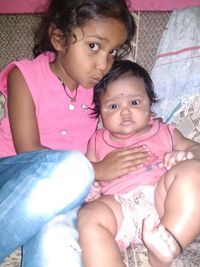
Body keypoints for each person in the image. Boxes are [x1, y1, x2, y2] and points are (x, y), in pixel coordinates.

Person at [0, 1, 150, 266]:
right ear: (59, 38)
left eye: (112, 51)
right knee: (76, 169)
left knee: (59, 237)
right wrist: (96, 170)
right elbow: (27, 149)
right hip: (12, 177)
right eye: (94, 46)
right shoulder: (24, 75)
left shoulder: (99, 90)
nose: (103, 64)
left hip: (66, 192)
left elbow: (128, 114)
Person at [77, 60, 200, 267]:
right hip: (118, 205)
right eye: (113, 106)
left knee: (194, 172)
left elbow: (195, 148)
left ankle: (164, 247)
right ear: (101, 113)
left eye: (134, 103)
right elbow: (87, 172)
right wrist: (90, 188)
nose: (125, 112)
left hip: (165, 199)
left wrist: (188, 156)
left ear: (149, 104)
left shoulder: (165, 130)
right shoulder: (96, 140)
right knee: (88, 217)